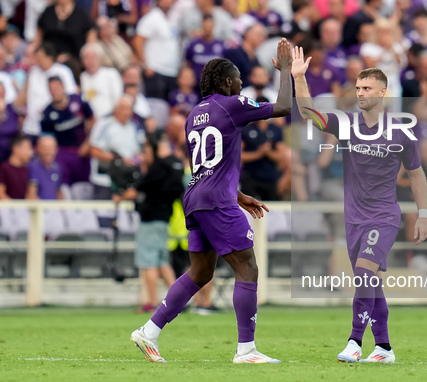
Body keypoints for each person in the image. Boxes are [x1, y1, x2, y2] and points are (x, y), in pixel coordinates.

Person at [131, 38, 293, 364]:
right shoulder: (230, 104)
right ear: (225, 82)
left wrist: (239, 194)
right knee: (247, 267)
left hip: (197, 196)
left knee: (200, 272)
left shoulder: (194, 114)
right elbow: (284, 108)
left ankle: (149, 331)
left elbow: (207, 166)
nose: (242, 82)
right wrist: (286, 70)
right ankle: (246, 350)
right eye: (237, 78)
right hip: (216, 199)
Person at [291, 47, 427, 363]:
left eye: (367, 88)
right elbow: (310, 115)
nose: (360, 93)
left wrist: (423, 213)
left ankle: (355, 342)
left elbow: (417, 174)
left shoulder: (401, 132)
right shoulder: (346, 124)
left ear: (383, 91)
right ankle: (384, 348)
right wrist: (299, 79)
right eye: (357, 88)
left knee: (365, 275)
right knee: (371, 284)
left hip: (384, 216)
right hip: (354, 217)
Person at [116, 133, 185, 314]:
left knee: (149, 262)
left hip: (150, 219)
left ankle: (153, 302)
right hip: (164, 218)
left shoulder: (158, 167)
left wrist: (121, 195)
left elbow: (137, 190)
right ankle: (179, 301)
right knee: (162, 262)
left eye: (146, 148)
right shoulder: (174, 165)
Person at [41, 76, 95, 186]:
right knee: (64, 185)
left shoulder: (78, 100)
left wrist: (88, 142)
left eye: (57, 88)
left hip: (81, 150)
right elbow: (47, 137)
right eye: (51, 89)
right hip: (62, 153)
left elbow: (93, 119)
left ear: (63, 87)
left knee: (83, 185)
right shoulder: (47, 113)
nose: (54, 91)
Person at [89, 95, 145, 199]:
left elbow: (139, 151)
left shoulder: (134, 126)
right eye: (123, 108)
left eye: (129, 109)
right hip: (105, 179)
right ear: (116, 109)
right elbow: (94, 151)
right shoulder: (104, 124)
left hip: (127, 180)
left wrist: (137, 159)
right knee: (104, 212)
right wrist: (120, 160)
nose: (126, 112)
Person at [133, 0, 180, 100]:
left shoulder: (170, 19)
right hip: (156, 71)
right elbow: (138, 41)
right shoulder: (151, 18)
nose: (167, 2)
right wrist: (146, 65)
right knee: (156, 106)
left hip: (171, 72)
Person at [80, 42, 124, 119]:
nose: (90, 61)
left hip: (110, 117)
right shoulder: (82, 77)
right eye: (87, 57)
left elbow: (118, 98)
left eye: (93, 57)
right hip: (90, 120)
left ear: (100, 58)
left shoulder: (111, 73)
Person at [27, 135, 63, 200]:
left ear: (56, 150)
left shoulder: (57, 168)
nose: (48, 152)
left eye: (51, 148)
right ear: (37, 149)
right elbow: (31, 195)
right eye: (45, 148)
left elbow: (58, 191)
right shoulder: (33, 167)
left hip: (54, 208)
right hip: (40, 208)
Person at [0, 135, 33, 199]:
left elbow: (28, 194)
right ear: (16, 149)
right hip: (7, 208)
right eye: (27, 148)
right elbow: (1, 193)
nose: (30, 153)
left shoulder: (26, 169)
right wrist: (14, 206)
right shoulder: (4, 168)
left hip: (23, 208)